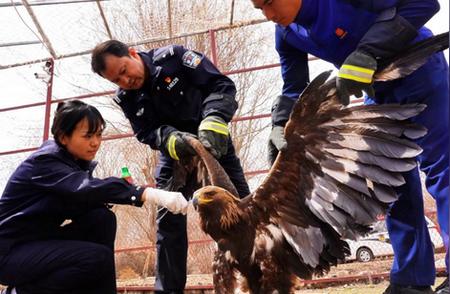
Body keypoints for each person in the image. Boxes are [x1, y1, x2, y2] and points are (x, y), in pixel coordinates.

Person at [250, 0, 449, 293]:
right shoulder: (286, 34)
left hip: (420, 74)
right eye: (259, 9)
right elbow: (294, 86)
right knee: (392, 188)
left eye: (269, 3)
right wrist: (280, 124)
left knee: (443, 173)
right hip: (377, 95)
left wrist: (368, 52)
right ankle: (411, 280)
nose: (268, 15)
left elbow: (423, 5)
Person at [91, 40, 250, 293]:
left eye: (123, 70)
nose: (124, 81)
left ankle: (258, 277)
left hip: (212, 139)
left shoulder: (174, 58)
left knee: (242, 208)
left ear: (132, 53)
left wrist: (215, 116)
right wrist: (167, 138)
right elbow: (144, 132)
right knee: (168, 219)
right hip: (174, 154)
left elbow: (221, 85)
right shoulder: (126, 98)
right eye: (116, 80)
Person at [0, 100, 189, 294]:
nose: (95, 143)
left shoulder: (73, 163)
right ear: (64, 137)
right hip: (9, 252)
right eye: (88, 136)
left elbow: (81, 198)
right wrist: (146, 193)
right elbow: (84, 188)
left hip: (37, 242)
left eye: (99, 134)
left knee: (101, 219)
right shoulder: (45, 161)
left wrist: (110, 195)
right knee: (95, 258)